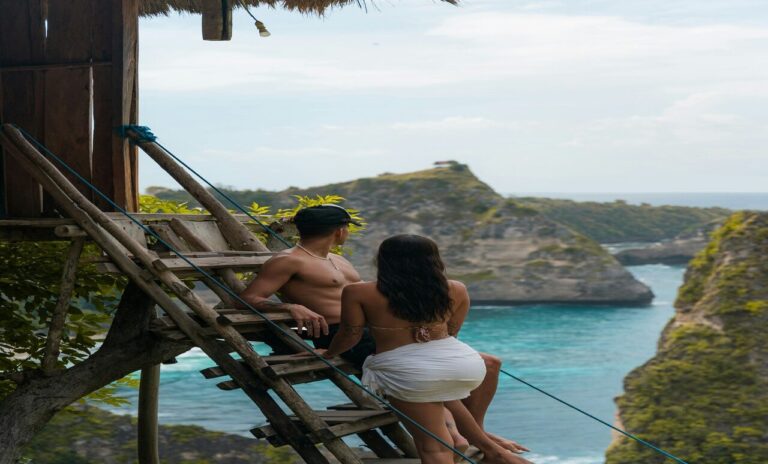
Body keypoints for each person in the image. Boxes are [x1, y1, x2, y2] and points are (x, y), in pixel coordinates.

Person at [239, 205, 529, 462]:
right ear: (340, 231)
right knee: (428, 380)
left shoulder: (338, 261)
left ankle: (477, 434)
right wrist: (291, 306)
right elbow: (249, 298)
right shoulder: (288, 260)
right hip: (340, 331)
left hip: (374, 329)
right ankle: (474, 441)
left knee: (489, 363)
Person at [316, 235, 532, 464]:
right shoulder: (456, 289)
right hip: (464, 366)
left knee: (435, 447)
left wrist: (329, 353)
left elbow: (350, 334)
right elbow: (451, 333)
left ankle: (481, 444)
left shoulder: (358, 292)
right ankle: (481, 441)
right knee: (448, 436)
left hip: (409, 373)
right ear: (434, 259)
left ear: (384, 260)